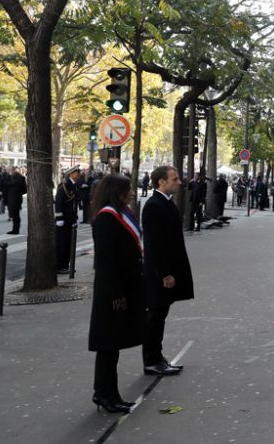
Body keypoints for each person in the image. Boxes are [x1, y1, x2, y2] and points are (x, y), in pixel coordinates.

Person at [87, 174, 144, 414]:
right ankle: (105, 394)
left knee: (113, 345)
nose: (131, 193)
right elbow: (105, 261)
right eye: (127, 190)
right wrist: (116, 294)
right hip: (112, 291)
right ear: (116, 192)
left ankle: (110, 393)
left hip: (122, 288)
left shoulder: (120, 214)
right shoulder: (107, 219)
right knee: (108, 346)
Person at [141, 166, 194, 376]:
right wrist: (165, 274)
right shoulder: (154, 206)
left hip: (167, 270)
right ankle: (151, 360)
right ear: (161, 182)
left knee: (159, 315)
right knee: (154, 317)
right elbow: (154, 245)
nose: (179, 182)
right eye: (174, 179)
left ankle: (157, 356)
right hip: (159, 274)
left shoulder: (164, 203)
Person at [55, 165, 82, 274]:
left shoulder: (74, 185)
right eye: (77, 172)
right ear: (71, 174)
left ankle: (66, 264)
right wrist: (59, 218)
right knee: (62, 243)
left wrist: (75, 218)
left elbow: (74, 205)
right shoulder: (65, 185)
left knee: (68, 244)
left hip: (70, 219)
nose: (78, 174)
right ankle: (60, 266)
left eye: (78, 172)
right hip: (63, 220)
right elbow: (59, 203)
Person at [6, 166, 27, 235]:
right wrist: (19, 192)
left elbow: (6, 185)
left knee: (15, 215)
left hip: (12, 198)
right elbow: (25, 190)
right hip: (18, 198)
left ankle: (15, 230)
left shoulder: (10, 178)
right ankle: (16, 229)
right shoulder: (21, 178)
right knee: (16, 215)